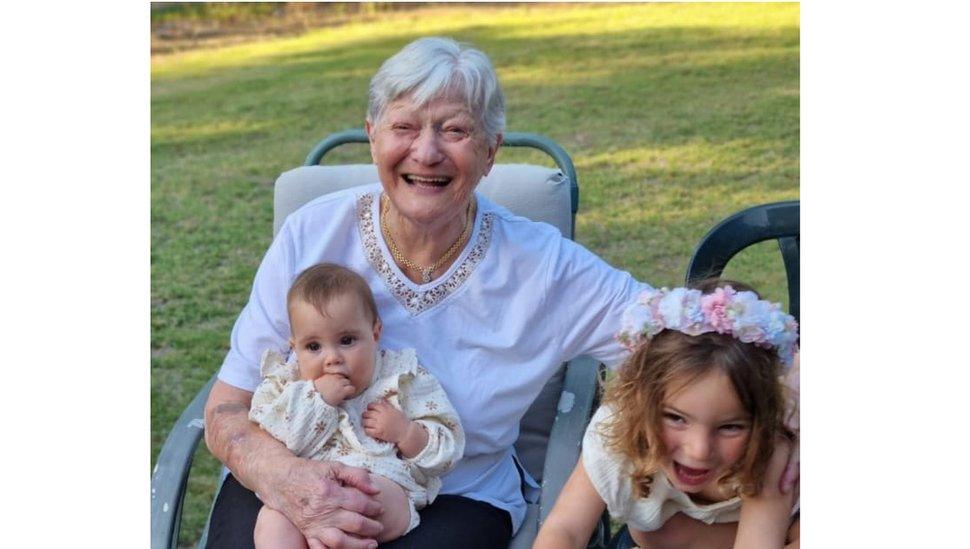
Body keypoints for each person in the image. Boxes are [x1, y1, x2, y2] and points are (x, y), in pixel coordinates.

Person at [203, 36, 798, 549]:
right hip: (288, 475)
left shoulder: (546, 270)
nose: (427, 151)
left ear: (490, 153)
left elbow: (693, 328)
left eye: (455, 130)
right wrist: (286, 480)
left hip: (454, 493)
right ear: (371, 136)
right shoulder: (313, 232)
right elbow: (227, 408)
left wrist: (794, 402)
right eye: (404, 126)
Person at [534, 280, 800, 549]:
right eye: (676, 418)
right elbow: (565, 529)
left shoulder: (770, 450)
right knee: (662, 534)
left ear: (762, 419)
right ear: (640, 400)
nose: (698, 450)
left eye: (730, 427)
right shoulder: (618, 430)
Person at [249, 263, 464, 548]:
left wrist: (406, 433)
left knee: (361, 500)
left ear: (375, 334)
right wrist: (317, 399)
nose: (332, 358)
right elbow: (272, 436)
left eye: (347, 340)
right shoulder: (287, 385)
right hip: (305, 492)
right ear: (294, 347)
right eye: (314, 347)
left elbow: (449, 448)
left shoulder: (402, 377)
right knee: (272, 521)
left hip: (383, 486)